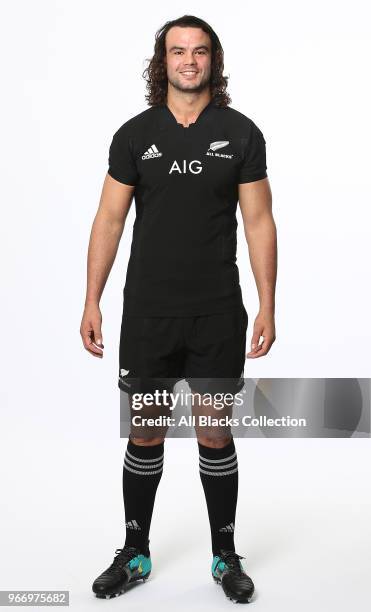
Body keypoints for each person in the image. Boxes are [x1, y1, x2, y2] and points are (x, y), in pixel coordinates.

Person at [80, 14, 277, 604]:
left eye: (199, 51)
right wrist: (91, 298)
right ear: (160, 62)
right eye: (177, 51)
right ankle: (135, 552)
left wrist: (269, 303)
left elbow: (259, 220)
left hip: (217, 312)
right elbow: (109, 220)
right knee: (146, 431)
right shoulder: (134, 135)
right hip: (148, 312)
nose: (188, 61)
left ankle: (224, 555)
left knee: (214, 433)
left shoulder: (241, 133)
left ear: (213, 61)